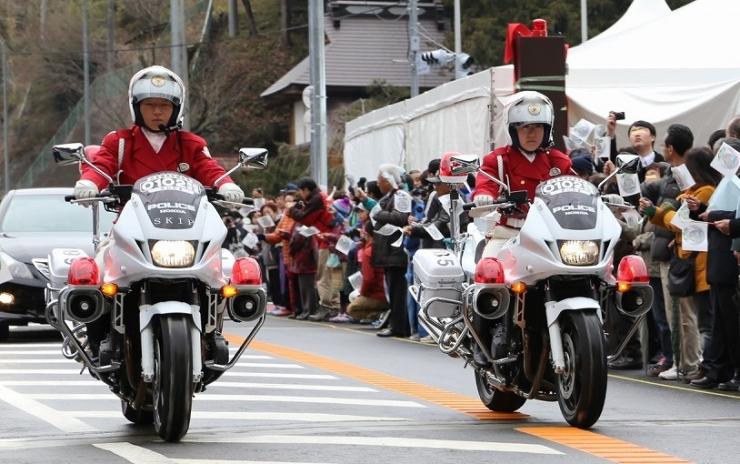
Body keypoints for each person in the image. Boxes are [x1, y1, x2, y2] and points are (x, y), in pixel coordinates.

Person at [471, 91, 571, 366]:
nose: (532, 133)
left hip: (549, 234)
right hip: (509, 232)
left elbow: (575, 187)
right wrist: (483, 195)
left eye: (538, 127)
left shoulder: (557, 160)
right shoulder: (498, 160)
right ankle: (484, 337)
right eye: (526, 127)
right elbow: (485, 183)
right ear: (513, 130)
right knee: (487, 274)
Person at [74, 65, 244, 203]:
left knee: (217, 245)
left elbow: (210, 169)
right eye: (149, 104)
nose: (157, 112)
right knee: (111, 247)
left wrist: (226, 185)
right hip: (131, 227)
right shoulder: (119, 142)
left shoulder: (191, 144)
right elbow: (102, 165)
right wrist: (90, 183)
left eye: (164, 105)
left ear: (176, 109)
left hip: (185, 225)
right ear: (137, 108)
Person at [372, 164, 412, 338]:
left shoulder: (401, 195)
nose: (379, 184)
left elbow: (401, 217)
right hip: (387, 250)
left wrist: (378, 214)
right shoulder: (387, 197)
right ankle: (395, 324)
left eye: (381, 180)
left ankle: (400, 326)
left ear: (389, 180)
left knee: (398, 291)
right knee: (392, 290)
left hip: (397, 250)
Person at [605, 115, 665, 182]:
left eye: (642, 130)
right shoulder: (625, 161)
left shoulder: (663, 162)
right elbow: (611, 158)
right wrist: (611, 131)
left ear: (652, 137)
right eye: (633, 131)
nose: (637, 134)